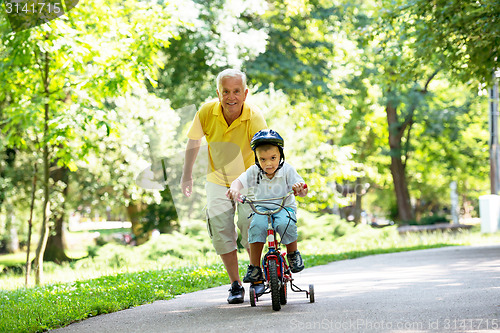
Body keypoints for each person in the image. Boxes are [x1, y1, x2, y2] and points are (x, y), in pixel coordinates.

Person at [181, 69, 267, 304]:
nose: (231, 97)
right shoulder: (207, 112)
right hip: (217, 181)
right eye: (226, 91)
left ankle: (257, 276)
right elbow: (194, 141)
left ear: (245, 93)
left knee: (250, 224)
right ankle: (235, 284)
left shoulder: (254, 117)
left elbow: (265, 152)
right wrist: (186, 175)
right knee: (220, 231)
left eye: (237, 91)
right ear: (218, 93)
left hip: (249, 179)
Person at [225, 129, 308, 287]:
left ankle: (292, 254)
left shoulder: (287, 170)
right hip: (261, 209)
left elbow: (303, 190)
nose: (268, 163)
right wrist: (234, 189)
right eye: (262, 159)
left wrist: (299, 188)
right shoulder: (254, 171)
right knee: (256, 226)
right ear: (257, 158)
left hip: (284, 207)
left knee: (285, 224)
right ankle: (254, 266)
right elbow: (238, 182)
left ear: (280, 156)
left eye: (272, 158)